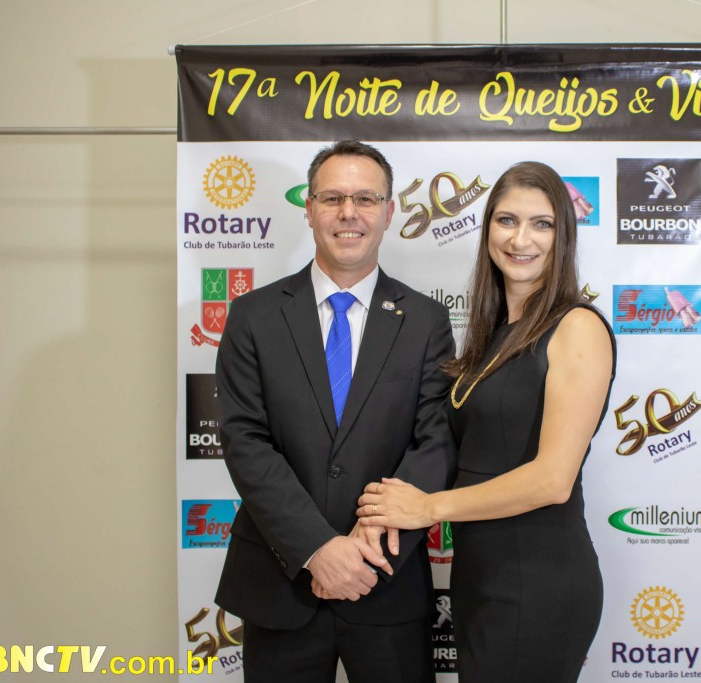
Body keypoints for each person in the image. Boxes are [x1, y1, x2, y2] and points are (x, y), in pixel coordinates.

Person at [357, 161, 616, 682]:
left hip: (538, 580)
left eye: (542, 224)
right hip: (481, 577)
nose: (521, 239)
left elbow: (552, 480)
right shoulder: (495, 335)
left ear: (563, 236)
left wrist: (429, 507)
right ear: (488, 230)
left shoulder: (577, 326)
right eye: (507, 220)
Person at [214, 140, 455, 682]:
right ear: (309, 209)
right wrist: (317, 548)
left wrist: (365, 549)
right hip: (283, 583)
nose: (349, 213)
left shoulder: (426, 321)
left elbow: (435, 441)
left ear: (389, 213)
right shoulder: (253, 316)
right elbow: (244, 440)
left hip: (386, 582)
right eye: (333, 198)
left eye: (366, 198)